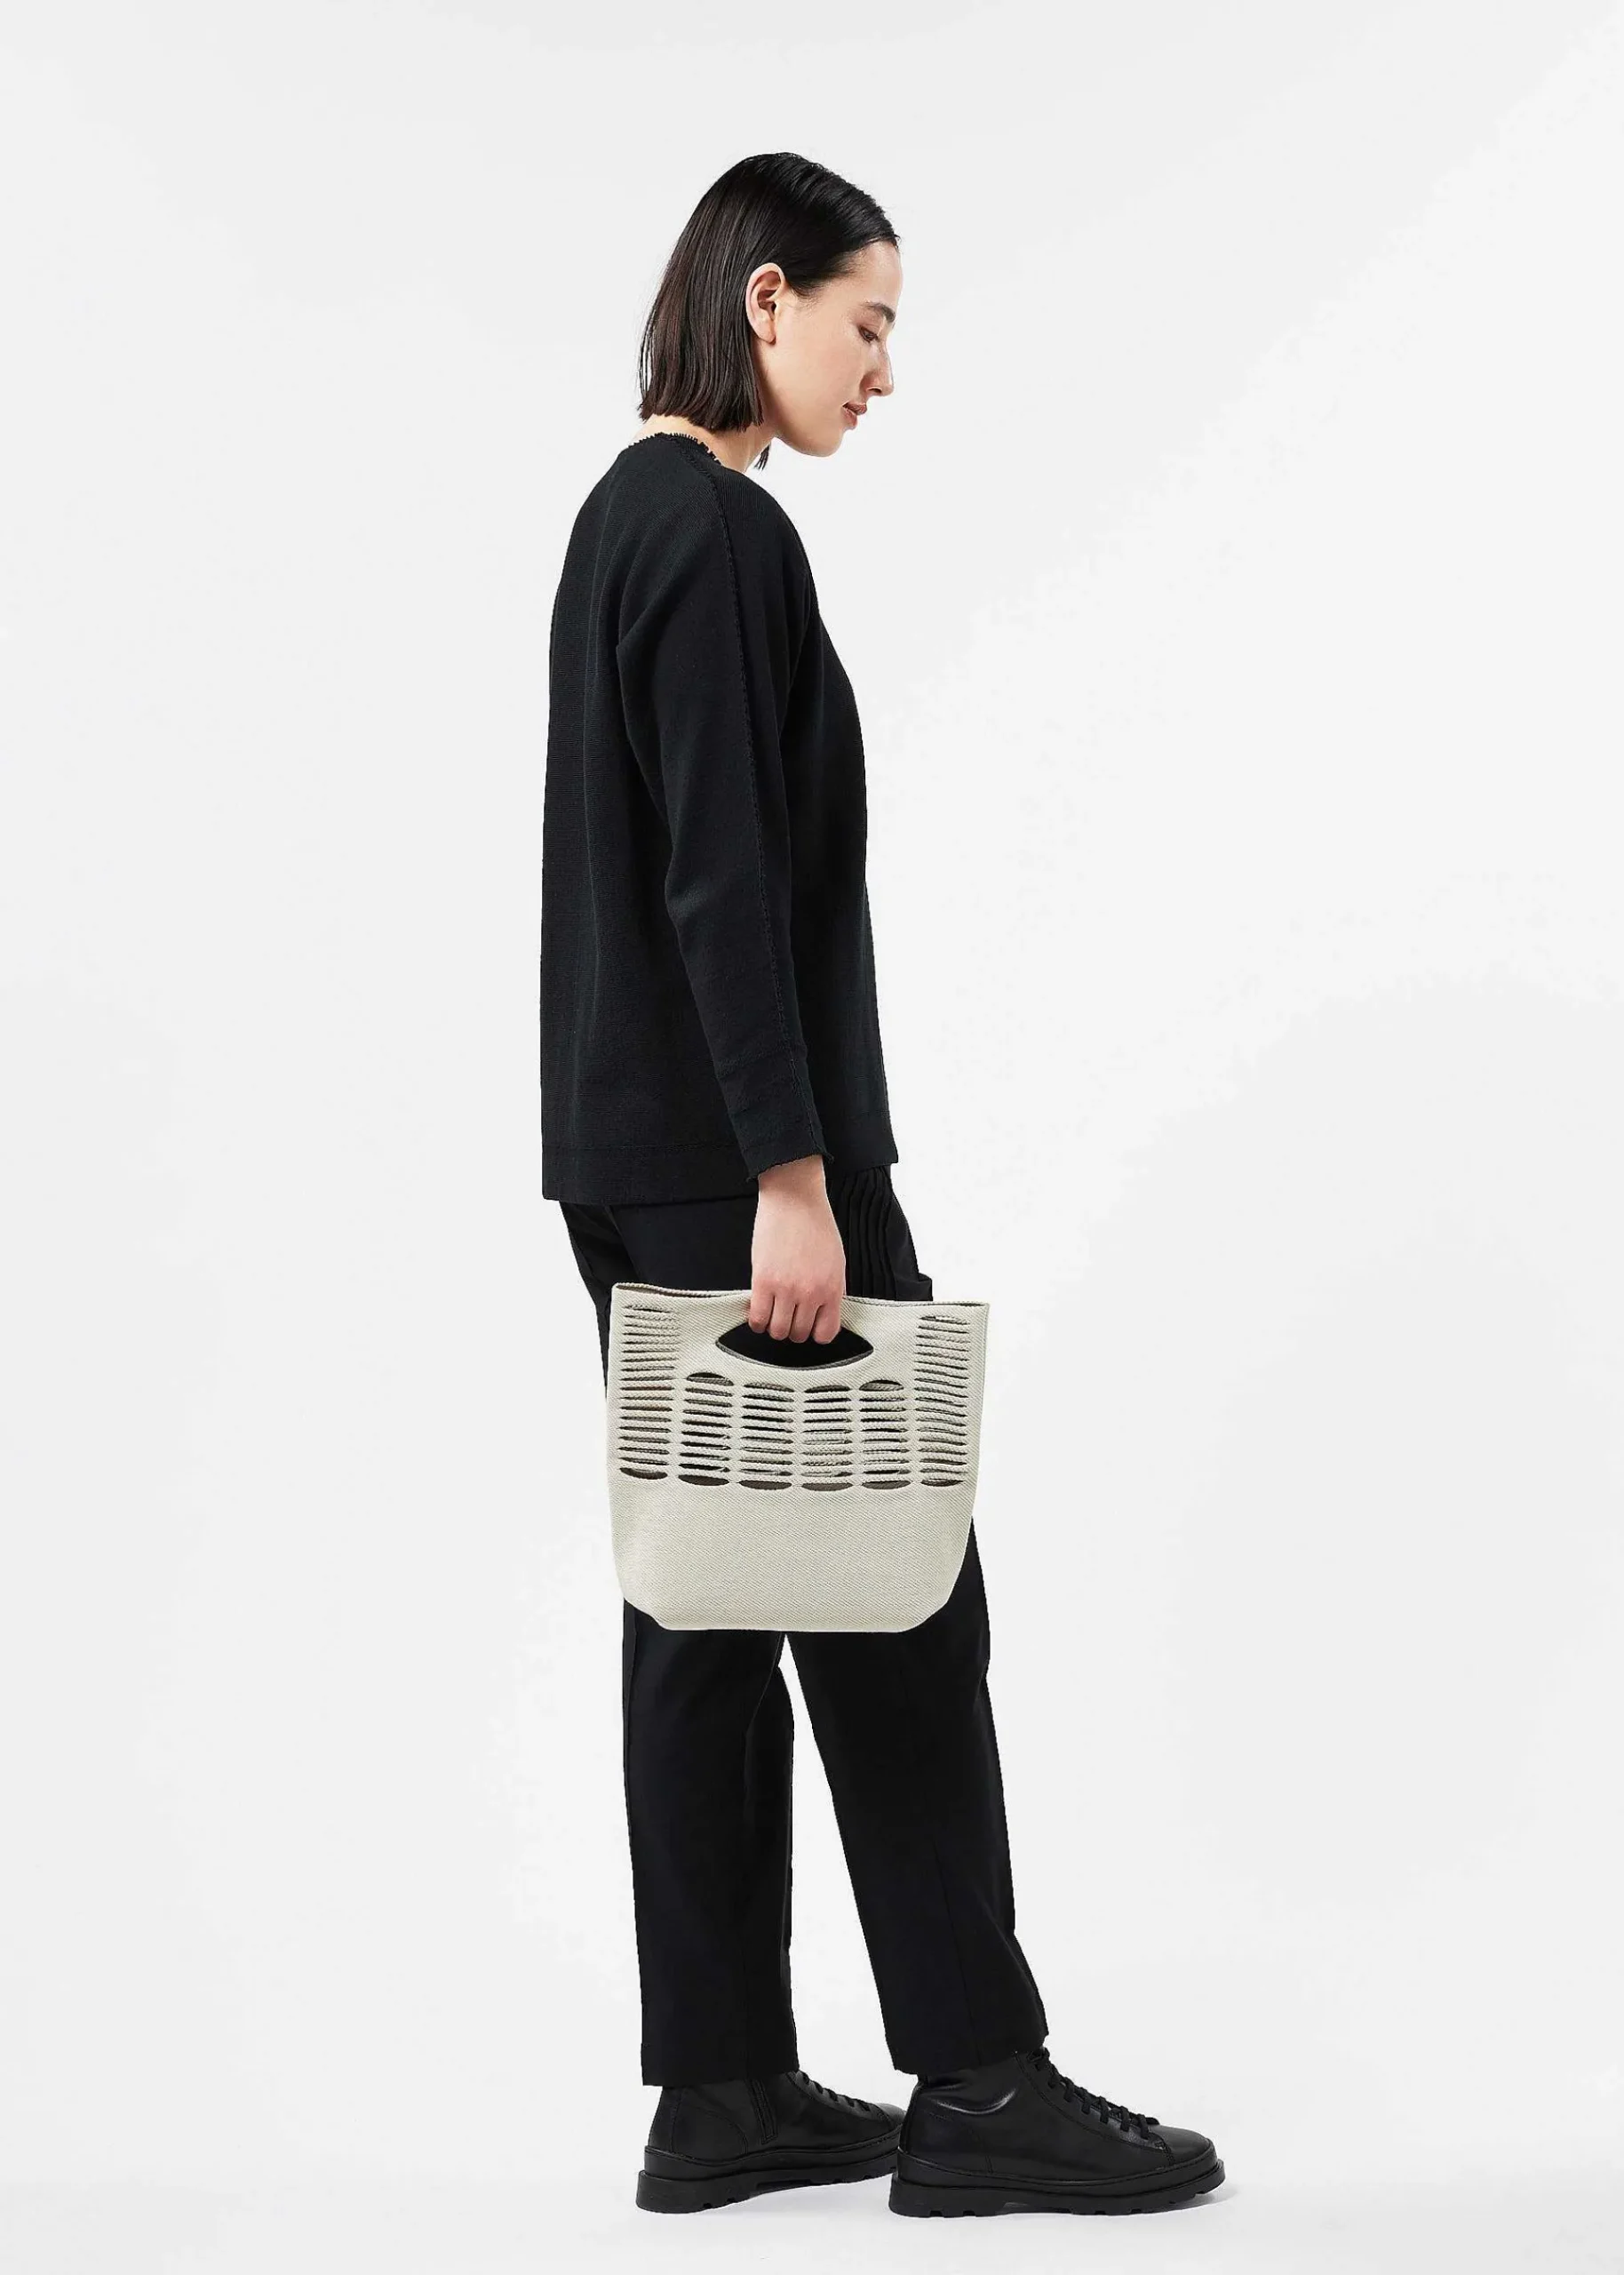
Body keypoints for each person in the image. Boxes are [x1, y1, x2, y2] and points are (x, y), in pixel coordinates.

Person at [539, 151, 1225, 2218]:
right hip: (733, 1163)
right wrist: (793, 1171)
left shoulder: (617, 521)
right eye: (867, 322)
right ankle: (978, 2077)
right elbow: (718, 881)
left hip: (626, 1149)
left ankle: (721, 2087)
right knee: (897, 1605)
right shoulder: (713, 530)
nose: (883, 370)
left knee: (708, 1606)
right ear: (762, 301)